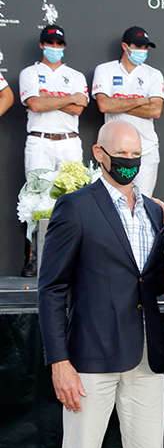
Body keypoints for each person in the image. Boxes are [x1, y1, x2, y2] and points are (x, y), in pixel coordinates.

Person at [38, 120, 164, 448]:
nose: (129, 162)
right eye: (121, 154)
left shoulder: (153, 214)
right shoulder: (75, 208)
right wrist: (60, 360)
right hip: (89, 359)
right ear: (99, 153)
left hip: (144, 356)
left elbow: (150, 279)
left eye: (136, 154)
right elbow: (51, 288)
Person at [18, 24, 89, 277]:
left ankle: (72, 256)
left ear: (65, 46)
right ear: (41, 45)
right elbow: (35, 103)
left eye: (59, 44)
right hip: (40, 140)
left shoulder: (77, 76)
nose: (55, 48)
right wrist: (68, 98)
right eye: (50, 43)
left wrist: (54, 100)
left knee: (74, 200)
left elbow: (79, 109)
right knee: (35, 201)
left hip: (69, 141)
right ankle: (33, 258)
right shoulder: (29, 73)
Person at [92, 26, 164, 196]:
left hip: (145, 148)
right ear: (125, 46)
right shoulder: (105, 70)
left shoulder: (154, 74)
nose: (143, 51)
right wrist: (140, 100)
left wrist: (119, 102)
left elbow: (155, 110)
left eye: (145, 47)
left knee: (143, 200)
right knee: (112, 200)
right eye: (138, 46)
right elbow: (104, 105)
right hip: (113, 150)